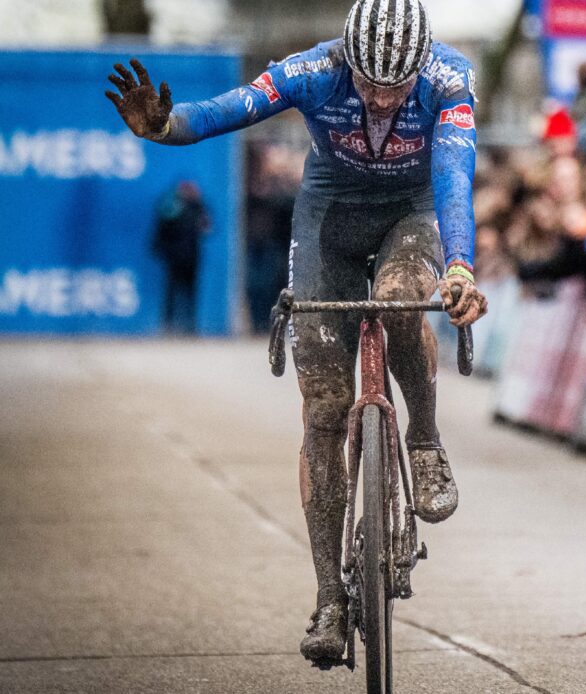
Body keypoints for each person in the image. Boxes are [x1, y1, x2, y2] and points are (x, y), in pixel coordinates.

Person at [105, 0, 488, 663]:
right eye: (366, 81)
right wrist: (165, 126)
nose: (376, 96)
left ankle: (423, 436)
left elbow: (454, 177)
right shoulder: (313, 69)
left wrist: (458, 267)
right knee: (324, 408)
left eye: (393, 87)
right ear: (347, 59)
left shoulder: (449, 81)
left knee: (401, 302)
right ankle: (330, 602)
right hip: (328, 219)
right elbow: (230, 109)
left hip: (412, 214)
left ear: (420, 68)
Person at [152, 180, 209, 334]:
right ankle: (168, 325)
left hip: (191, 256)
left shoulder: (198, 207)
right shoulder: (171, 206)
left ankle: (190, 326)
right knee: (171, 292)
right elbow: (163, 226)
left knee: (190, 293)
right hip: (175, 256)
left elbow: (207, 227)